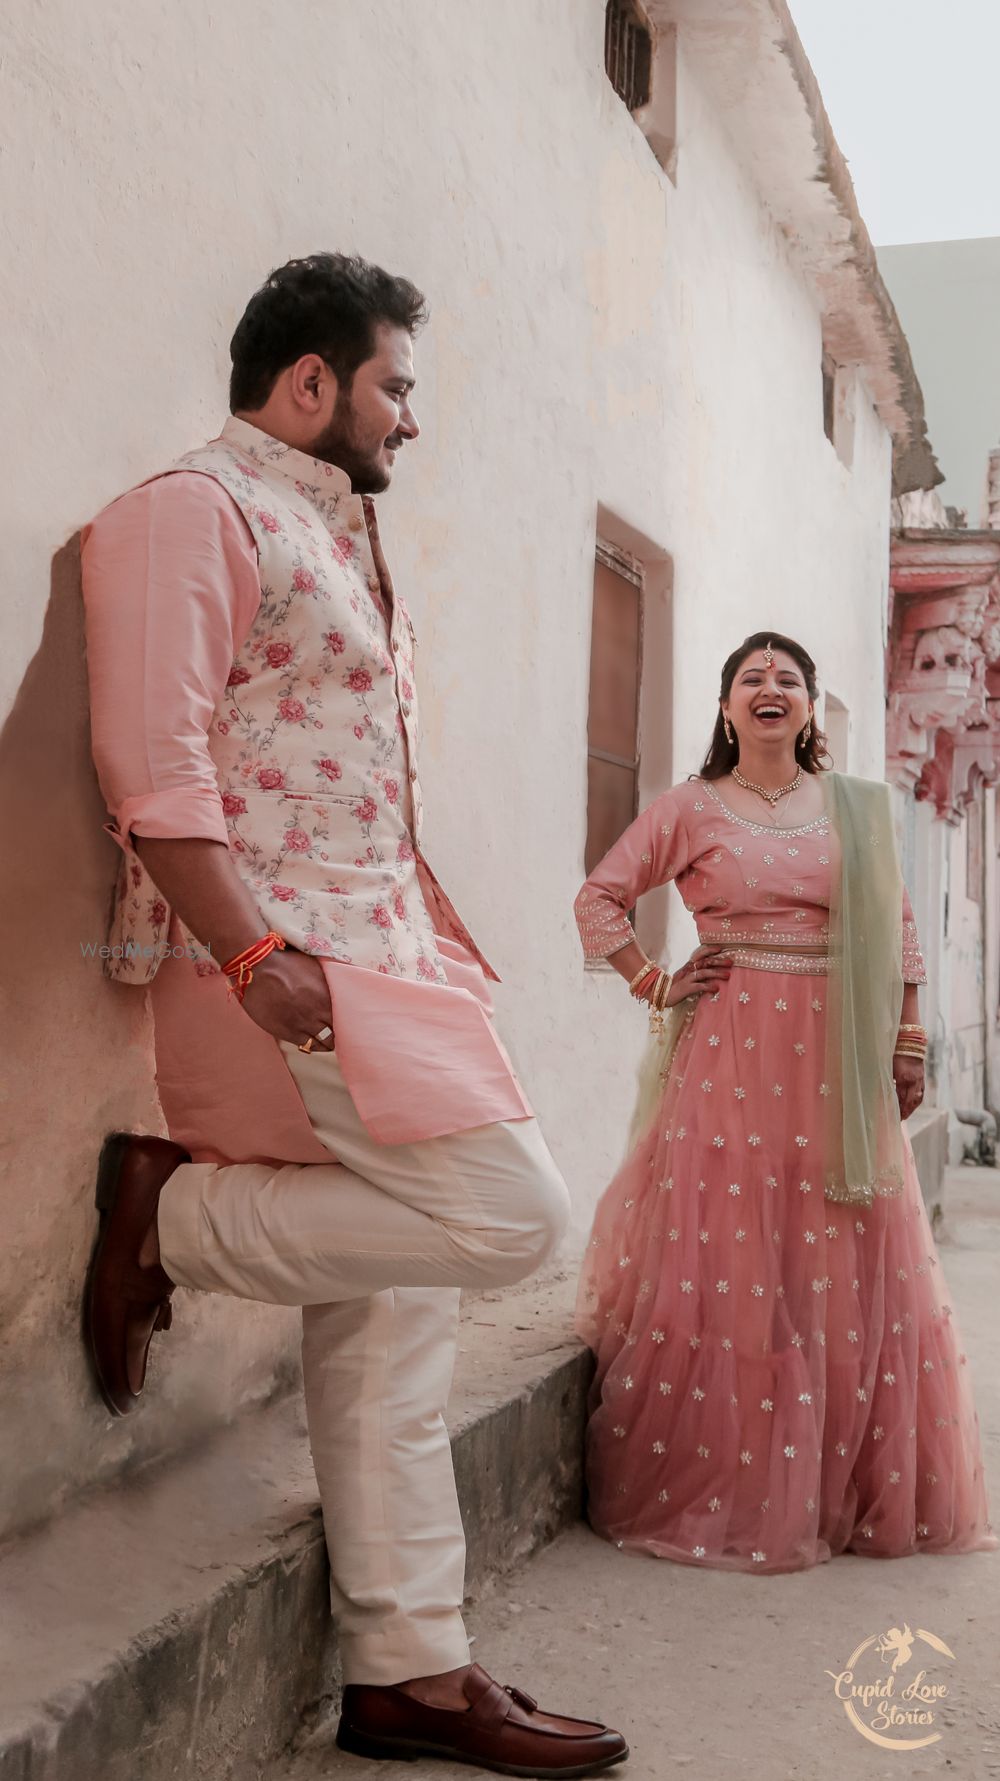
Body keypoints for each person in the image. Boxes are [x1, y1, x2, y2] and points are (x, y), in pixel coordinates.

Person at [81, 252, 628, 1776]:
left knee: (396, 1327)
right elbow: (153, 762)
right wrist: (261, 961)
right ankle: (173, 1218)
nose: (411, 418)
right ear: (309, 384)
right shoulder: (189, 512)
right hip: (292, 964)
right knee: (513, 1215)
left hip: (390, 952)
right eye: (395, 385)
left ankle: (409, 1671)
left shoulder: (330, 533)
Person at [573, 630, 996, 1572]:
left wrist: (911, 1034)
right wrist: (653, 979)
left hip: (839, 1055)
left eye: (789, 679)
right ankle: (740, 1484)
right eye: (751, 678)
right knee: (735, 1251)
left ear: (808, 708)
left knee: (837, 1243)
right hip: (727, 1048)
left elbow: (899, 924)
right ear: (726, 708)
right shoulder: (688, 808)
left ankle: (846, 1484)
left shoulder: (852, 810)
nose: (771, 688)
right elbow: (599, 900)